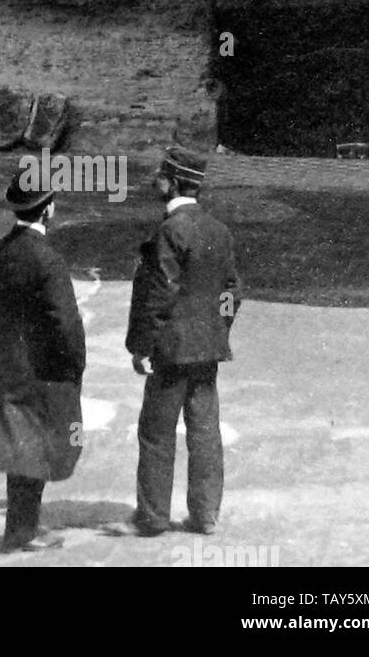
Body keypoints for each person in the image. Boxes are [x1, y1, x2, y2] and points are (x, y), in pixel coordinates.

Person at [115, 147, 243, 538]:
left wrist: (141, 346)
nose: (156, 181)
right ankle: (205, 516)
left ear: (172, 182)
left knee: (157, 432)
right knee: (205, 431)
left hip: (170, 352)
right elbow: (233, 290)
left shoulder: (168, 232)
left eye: (160, 176)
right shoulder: (219, 231)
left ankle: (153, 517)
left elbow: (159, 293)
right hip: (207, 351)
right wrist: (217, 330)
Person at [0, 176, 87, 552]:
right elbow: (66, 323)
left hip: (11, 367)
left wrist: (6, 344)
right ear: (48, 209)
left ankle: (21, 529)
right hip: (46, 371)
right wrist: (73, 367)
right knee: (37, 448)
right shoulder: (48, 261)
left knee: (19, 447)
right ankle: (22, 533)